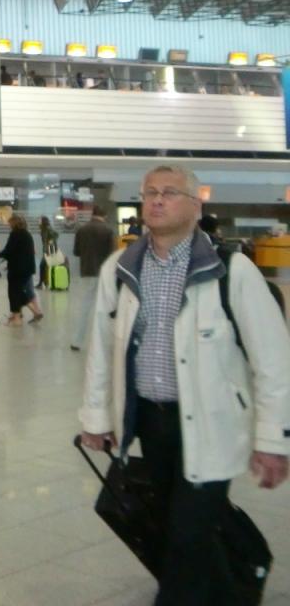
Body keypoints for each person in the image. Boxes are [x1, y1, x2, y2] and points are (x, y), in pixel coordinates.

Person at [79, 164, 290, 606]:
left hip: (214, 423)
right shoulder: (121, 268)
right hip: (151, 423)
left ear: (196, 206)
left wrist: (273, 440)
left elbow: (274, 361)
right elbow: (102, 349)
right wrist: (97, 418)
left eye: (170, 192)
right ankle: (233, 591)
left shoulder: (231, 270)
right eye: (150, 192)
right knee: (177, 525)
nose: (157, 200)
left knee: (187, 533)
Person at [71, 205, 116, 352]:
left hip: (87, 271)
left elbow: (76, 252)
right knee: (104, 308)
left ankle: (77, 341)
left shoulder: (82, 230)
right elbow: (113, 255)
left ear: (92, 214)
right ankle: (102, 342)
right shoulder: (108, 230)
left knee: (84, 307)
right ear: (105, 215)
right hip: (104, 273)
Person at [0, 214, 43, 326]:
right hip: (27, 268)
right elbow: (19, 252)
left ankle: (19, 317)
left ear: (13, 223)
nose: (8, 225)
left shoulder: (15, 234)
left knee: (14, 292)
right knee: (18, 291)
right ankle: (25, 313)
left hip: (18, 269)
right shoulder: (27, 234)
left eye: (9, 223)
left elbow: (9, 251)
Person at [38, 215, 58, 288]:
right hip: (47, 250)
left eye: (39, 221)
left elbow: (56, 235)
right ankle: (44, 282)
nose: (38, 222)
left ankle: (42, 283)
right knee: (44, 266)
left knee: (42, 265)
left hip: (49, 251)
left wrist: (50, 243)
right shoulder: (43, 230)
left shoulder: (48, 229)